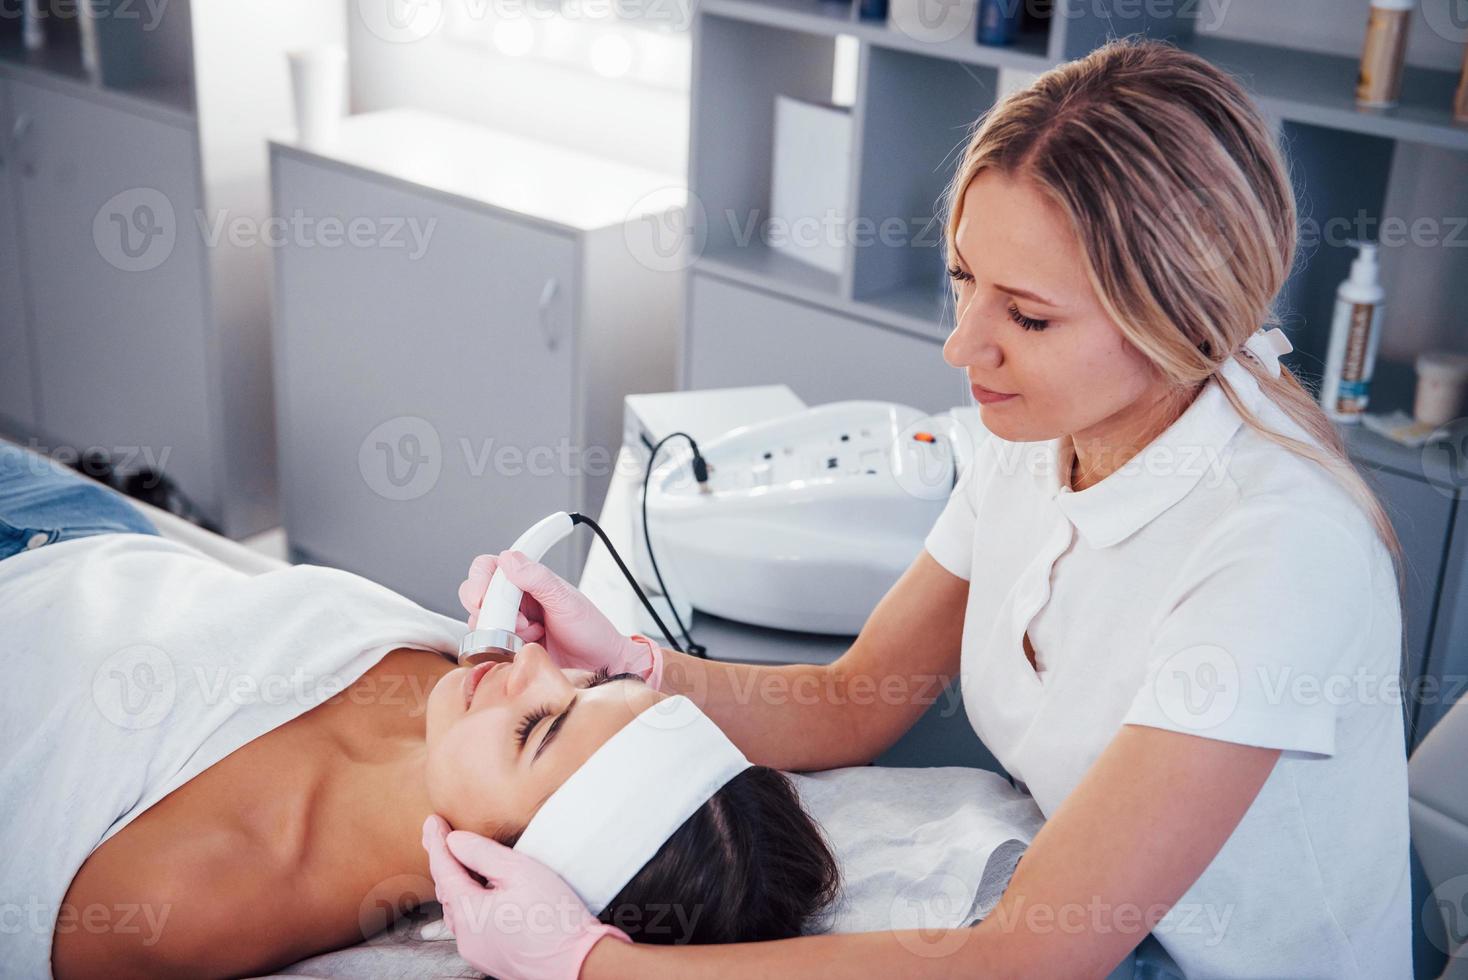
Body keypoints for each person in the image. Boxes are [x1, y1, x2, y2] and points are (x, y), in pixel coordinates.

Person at [428, 37, 1413, 979]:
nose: (963, 346)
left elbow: (1031, 957)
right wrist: (629, 663)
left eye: (1026, 315)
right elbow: (852, 701)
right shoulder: (1029, 448)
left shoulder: (1276, 552)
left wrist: (592, 961)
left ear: (1180, 315)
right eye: (962, 280)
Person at [0, 441, 837, 979]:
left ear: (496, 869)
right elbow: (835, 705)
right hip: (78, 526)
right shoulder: (465, 692)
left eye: (538, 728)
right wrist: (632, 662)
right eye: (585, 687)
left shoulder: (194, 899)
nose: (534, 664)